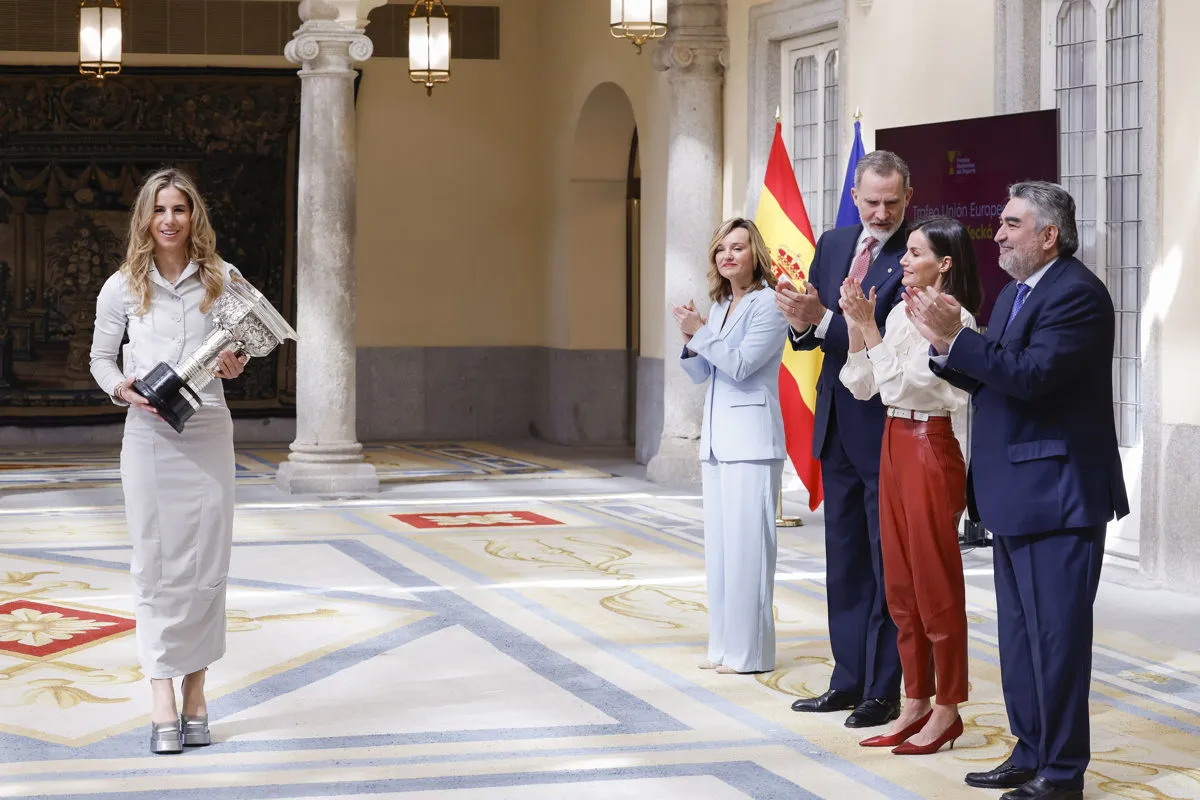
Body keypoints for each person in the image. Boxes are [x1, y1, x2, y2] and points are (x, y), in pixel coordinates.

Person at [907, 181, 1129, 800]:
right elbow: (993, 377)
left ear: (1048, 234)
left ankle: (1061, 775)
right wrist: (946, 346)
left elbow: (1031, 378)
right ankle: (1030, 750)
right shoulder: (1013, 293)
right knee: (1021, 641)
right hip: (1014, 493)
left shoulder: (1078, 295)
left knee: (1057, 644)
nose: (997, 234)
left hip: (1058, 495)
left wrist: (961, 338)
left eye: (1010, 223)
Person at [90, 168, 249, 755]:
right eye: (160, 209)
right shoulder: (121, 286)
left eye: (180, 208)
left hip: (207, 428)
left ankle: (197, 692)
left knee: (208, 561)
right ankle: (161, 694)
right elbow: (101, 360)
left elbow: (243, 343)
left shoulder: (223, 278)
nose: (170, 219)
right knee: (155, 563)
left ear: (193, 216)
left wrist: (236, 361)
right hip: (151, 436)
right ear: (145, 218)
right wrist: (122, 389)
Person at [838, 217, 982, 755]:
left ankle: (948, 708)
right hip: (893, 441)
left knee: (934, 584)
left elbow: (906, 383)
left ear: (943, 264)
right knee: (899, 585)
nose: (903, 259)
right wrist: (859, 326)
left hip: (928, 446)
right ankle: (915, 700)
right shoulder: (900, 310)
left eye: (915, 252)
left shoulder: (952, 317)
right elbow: (863, 385)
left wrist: (870, 332)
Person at [776, 150, 911, 728]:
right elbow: (815, 342)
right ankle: (846, 679)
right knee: (845, 562)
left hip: (885, 427)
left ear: (908, 198)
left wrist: (824, 321)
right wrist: (802, 321)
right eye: (872, 201)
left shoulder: (918, 254)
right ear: (854, 195)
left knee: (885, 567)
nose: (880, 214)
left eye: (892, 203)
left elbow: (886, 343)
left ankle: (883, 689)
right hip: (834, 425)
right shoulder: (833, 243)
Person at [673, 217, 789, 675]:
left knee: (750, 553)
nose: (728, 256)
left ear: (754, 254)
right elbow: (706, 372)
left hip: (754, 442)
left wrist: (700, 333)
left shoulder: (769, 305)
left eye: (738, 248)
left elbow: (740, 365)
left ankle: (750, 653)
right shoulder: (720, 307)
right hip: (720, 443)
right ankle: (723, 647)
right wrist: (690, 341)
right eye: (722, 249)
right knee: (721, 553)